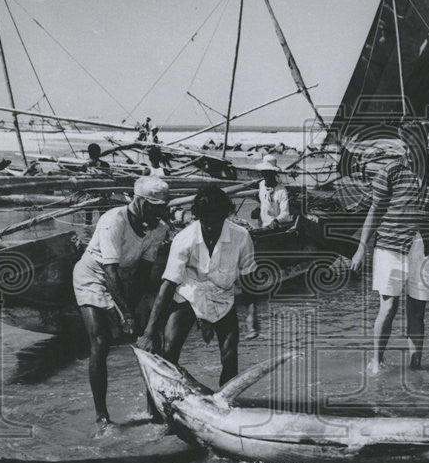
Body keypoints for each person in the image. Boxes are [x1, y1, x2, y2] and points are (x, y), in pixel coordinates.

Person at [350, 120, 429, 373]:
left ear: (424, 141)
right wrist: (361, 247)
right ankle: (375, 362)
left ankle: (415, 367)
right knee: (388, 306)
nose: (408, 148)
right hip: (390, 246)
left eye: (413, 142)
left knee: (417, 312)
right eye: (405, 143)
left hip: (427, 249)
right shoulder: (390, 171)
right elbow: (375, 210)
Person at [137, 186, 258, 419]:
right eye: (206, 221)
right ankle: (157, 411)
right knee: (169, 351)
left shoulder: (241, 237)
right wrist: (150, 329)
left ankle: (226, 408)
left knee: (230, 355)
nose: (211, 226)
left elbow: (249, 277)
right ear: (198, 217)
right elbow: (168, 284)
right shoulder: (185, 238)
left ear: (226, 215)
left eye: (217, 220)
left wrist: (253, 313)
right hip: (189, 294)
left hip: (223, 296)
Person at [73, 176, 170, 432]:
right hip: (93, 276)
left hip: (124, 279)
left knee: (150, 341)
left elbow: (143, 272)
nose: (158, 213)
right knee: (101, 341)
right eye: (153, 206)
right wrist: (125, 314)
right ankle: (102, 417)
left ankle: (155, 409)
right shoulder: (113, 220)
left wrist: (133, 314)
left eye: (162, 207)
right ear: (138, 201)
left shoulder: (159, 229)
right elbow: (109, 272)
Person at [257, 154, 291, 228]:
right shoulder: (261, 185)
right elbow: (263, 203)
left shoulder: (281, 191)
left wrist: (276, 220)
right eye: (263, 173)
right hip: (262, 226)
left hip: (274, 228)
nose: (264, 176)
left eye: (267, 173)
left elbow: (285, 213)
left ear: (274, 174)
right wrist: (258, 210)